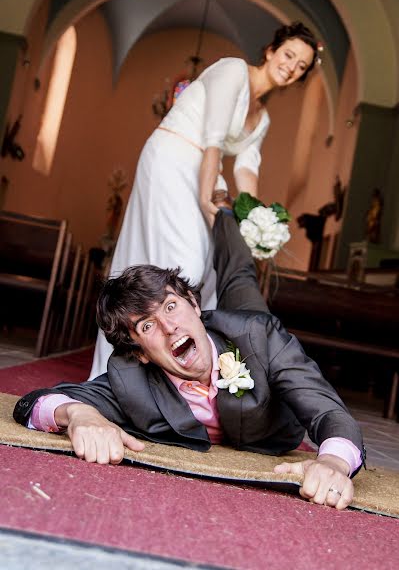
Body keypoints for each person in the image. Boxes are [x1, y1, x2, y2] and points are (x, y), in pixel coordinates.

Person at [14, 209, 365, 510]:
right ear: (138, 351)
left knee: (240, 280)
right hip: (222, 336)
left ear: (195, 305)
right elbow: (35, 402)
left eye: (171, 306)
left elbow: (328, 411)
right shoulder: (130, 377)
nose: (169, 327)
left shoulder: (262, 337)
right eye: (148, 325)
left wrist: (333, 461)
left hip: (243, 335)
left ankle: (224, 215)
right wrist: (78, 414)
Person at [90, 21, 320, 378]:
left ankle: (168, 373)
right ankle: (132, 365)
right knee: (185, 264)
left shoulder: (263, 116)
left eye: (301, 65)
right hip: (174, 156)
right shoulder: (233, 70)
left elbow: (247, 169)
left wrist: (258, 220)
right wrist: (205, 192)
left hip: (205, 171)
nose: (291, 67)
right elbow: (213, 138)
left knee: (205, 268)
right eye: (289, 55)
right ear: (271, 51)